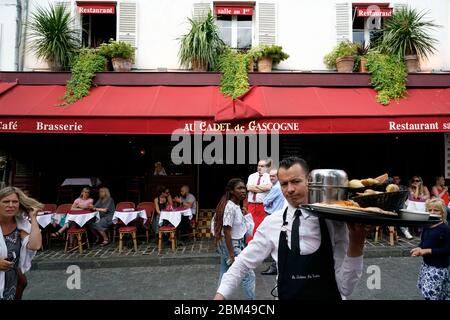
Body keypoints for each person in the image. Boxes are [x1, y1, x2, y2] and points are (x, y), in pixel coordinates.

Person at [214, 156, 368, 300]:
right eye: (284, 184)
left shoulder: (333, 221)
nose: (290, 189)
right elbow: (242, 263)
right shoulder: (272, 223)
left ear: (309, 181)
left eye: (296, 181)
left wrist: (357, 243)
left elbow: (345, 287)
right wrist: (220, 296)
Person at [212, 178, 255, 300]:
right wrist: (232, 254)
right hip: (232, 246)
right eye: (239, 188)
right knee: (248, 275)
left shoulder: (236, 206)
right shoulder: (230, 207)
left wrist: (245, 214)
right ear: (231, 191)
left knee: (225, 273)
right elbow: (226, 231)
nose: (243, 191)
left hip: (233, 245)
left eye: (244, 188)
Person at [0, 187, 42, 300]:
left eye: (15, 202)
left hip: (10, 286)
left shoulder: (21, 226)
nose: (11, 205)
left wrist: (33, 217)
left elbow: (35, 245)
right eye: (5, 201)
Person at [410, 198, 450, 300]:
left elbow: (447, 250)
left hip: (438, 267)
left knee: (431, 295)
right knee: (430, 293)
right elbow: (423, 242)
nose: (432, 212)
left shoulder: (445, 229)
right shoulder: (427, 225)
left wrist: (426, 251)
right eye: (429, 210)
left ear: (442, 212)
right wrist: (419, 248)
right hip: (427, 265)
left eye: (436, 210)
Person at [261, 168, 286, 276]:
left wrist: (268, 202)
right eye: (270, 176)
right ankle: (277, 265)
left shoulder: (276, 188)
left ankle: (275, 266)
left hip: (273, 216)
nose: (271, 178)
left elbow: (265, 202)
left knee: (274, 243)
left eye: (273, 176)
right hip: (280, 217)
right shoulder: (281, 186)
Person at [246, 159, 272, 241]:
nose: (259, 168)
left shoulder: (269, 177)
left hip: (262, 205)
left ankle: (260, 242)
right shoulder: (252, 176)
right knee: (250, 224)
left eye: (262, 166)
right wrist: (262, 188)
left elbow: (268, 187)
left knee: (261, 224)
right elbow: (248, 187)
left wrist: (255, 187)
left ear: (266, 167)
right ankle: (249, 243)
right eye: (258, 165)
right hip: (251, 204)